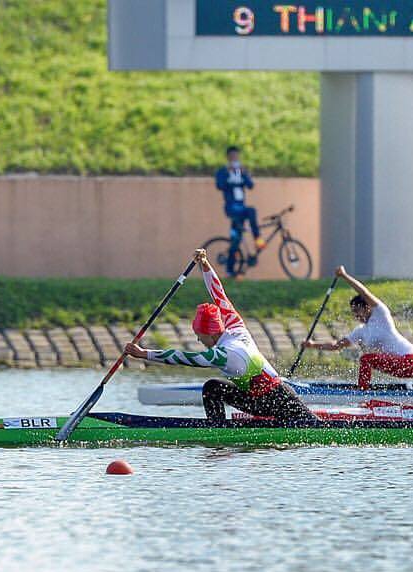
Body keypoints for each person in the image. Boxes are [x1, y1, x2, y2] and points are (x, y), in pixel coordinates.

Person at [124, 248, 316, 425]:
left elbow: (183, 357)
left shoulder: (222, 354)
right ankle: (218, 428)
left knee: (313, 426)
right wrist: (205, 264)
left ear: (211, 333)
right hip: (266, 397)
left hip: (278, 400)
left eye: (200, 335)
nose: (199, 340)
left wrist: (144, 354)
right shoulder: (237, 328)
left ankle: (217, 431)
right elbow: (219, 294)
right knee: (213, 387)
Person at [301, 266, 413, 391]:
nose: (355, 315)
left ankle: (362, 396)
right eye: (353, 312)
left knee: (366, 359)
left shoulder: (380, 313)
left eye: (357, 310)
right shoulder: (360, 331)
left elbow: (364, 292)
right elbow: (336, 346)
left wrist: (344, 276)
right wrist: (312, 345)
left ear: (367, 307)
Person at [215, 146, 264, 278]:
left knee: (237, 237)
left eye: (236, 156)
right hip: (232, 208)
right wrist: (228, 173)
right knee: (236, 237)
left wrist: (245, 173)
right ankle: (231, 270)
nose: (235, 159)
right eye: (232, 157)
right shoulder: (223, 171)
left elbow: (250, 185)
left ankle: (257, 239)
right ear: (228, 157)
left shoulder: (241, 171)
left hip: (241, 208)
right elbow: (219, 185)